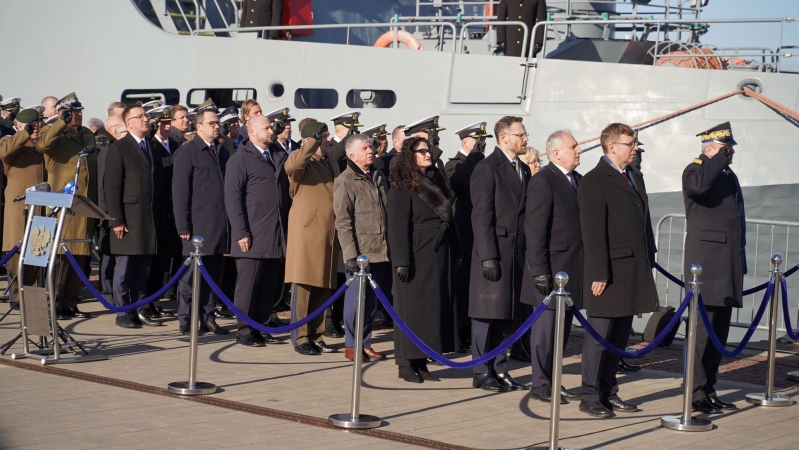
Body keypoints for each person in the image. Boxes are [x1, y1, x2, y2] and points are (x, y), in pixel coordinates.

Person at [578, 122, 658, 418]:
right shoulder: (594, 180)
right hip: (609, 273)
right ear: (612, 147)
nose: (634, 147)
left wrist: (650, 255)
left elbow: (644, 221)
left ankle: (609, 392)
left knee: (619, 338)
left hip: (632, 270)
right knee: (599, 338)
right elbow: (593, 231)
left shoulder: (633, 176)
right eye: (630, 143)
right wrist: (599, 273)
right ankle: (589, 395)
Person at [683, 122, 745, 413]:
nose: (730, 153)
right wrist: (716, 159)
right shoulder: (695, 170)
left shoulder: (726, 174)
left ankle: (708, 389)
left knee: (718, 335)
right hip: (705, 268)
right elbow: (696, 188)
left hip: (726, 267)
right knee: (701, 336)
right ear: (709, 149)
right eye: (725, 149)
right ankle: (693, 394)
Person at [388, 136, 461, 382]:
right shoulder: (401, 186)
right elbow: (397, 227)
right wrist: (402, 261)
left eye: (428, 150)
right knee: (412, 310)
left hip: (437, 254)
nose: (428, 154)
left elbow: (449, 220)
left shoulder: (435, 180)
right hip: (416, 255)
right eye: (421, 151)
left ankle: (421, 360)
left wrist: (457, 251)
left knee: (430, 312)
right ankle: (405, 363)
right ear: (410, 156)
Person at [469, 116, 531, 392]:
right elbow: (481, 216)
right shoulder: (487, 169)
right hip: (494, 251)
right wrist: (487, 255)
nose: (525, 139)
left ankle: (499, 368)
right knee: (486, 315)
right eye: (520, 135)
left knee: (507, 315)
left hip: (515, 253)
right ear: (504, 137)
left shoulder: (523, 170)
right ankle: (481, 370)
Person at [523, 130, 584, 404]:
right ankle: (540, 383)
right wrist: (539, 271)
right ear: (557, 152)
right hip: (549, 271)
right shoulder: (543, 181)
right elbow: (535, 230)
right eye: (574, 147)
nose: (579, 150)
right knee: (546, 332)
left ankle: (552, 380)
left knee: (562, 333)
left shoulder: (577, 180)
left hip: (569, 270)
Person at [225, 115, 290, 347]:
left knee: (267, 287)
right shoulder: (239, 160)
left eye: (271, 127)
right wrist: (241, 232)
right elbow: (233, 199)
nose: (271, 131)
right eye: (266, 128)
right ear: (252, 132)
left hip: (275, 234)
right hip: (251, 236)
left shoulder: (278, 155)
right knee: (248, 287)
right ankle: (244, 330)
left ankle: (260, 327)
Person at [35, 92, 97, 320]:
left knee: (79, 257)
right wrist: (60, 121)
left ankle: (70, 303)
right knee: (59, 257)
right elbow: (41, 145)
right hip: (62, 205)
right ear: (63, 113)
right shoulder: (53, 133)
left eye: (80, 111)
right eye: (73, 112)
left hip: (84, 204)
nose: (78, 115)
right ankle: (53, 305)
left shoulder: (88, 134)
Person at [283, 119, 342, 355]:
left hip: (328, 232)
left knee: (323, 285)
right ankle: (300, 336)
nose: (328, 140)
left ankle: (317, 335)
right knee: (305, 285)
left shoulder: (330, 162)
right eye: (324, 136)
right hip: (307, 233)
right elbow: (294, 169)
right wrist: (310, 142)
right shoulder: (299, 158)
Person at [172, 101, 230, 335]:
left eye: (218, 123)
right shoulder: (187, 152)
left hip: (218, 224)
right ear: (199, 127)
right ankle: (186, 319)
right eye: (212, 123)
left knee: (212, 276)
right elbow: (180, 192)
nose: (217, 126)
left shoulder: (221, 150)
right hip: (196, 226)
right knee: (190, 277)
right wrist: (183, 225)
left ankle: (207, 316)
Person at [104, 104, 164, 328]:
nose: (146, 119)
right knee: (124, 269)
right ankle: (123, 313)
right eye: (141, 117)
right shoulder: (119, 148)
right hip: (127, 219)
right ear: (129, 123)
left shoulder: (151, 146)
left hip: (147, 219)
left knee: (143, 269)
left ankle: (140, 309)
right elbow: (112, 188)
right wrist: (116, 220)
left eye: (146, 116)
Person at [334, 133, 391, 362]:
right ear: (353, 155)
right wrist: (350, 254)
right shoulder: (345, 180)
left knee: (370, 303)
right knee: (355, 302)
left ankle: (365, 343)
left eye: (371, 147)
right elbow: (342, 220)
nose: (371, 151)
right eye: (366, 148)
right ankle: (351, 344)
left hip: (380, 249)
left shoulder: (376, 175)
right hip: (360, 253)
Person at [445, 122, 492, 352]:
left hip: (477, 235)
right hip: (462, 236)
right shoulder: (454, 165)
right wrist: (473, 157)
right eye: (477, 141)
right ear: (465, 142)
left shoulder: (483, 165)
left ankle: (470, 334)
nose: (482, 146)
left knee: (475, 290)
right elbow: (456, 185)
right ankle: (458, 334)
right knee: (461, 289)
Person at [0, 107, 45, 305]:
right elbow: (5, 153)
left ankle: (33, 295)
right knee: (17, 251)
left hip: (41, 205)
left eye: (37, 124)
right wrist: (23, 133)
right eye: (30, 125)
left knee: (37, 249)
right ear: (18, 126)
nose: (35, 128)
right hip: (19, 206)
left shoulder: (41, 146)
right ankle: (17, 296)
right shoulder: (9, 142)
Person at [144, 105, 180, 318]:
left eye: (169, 123)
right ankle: (146, 302)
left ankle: (155, 301)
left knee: (164, 261)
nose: (167, 127)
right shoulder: (151, 145)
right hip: (158, 209)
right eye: (163, 123)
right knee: (154, 260)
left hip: (171, 209)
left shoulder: (175, 144)